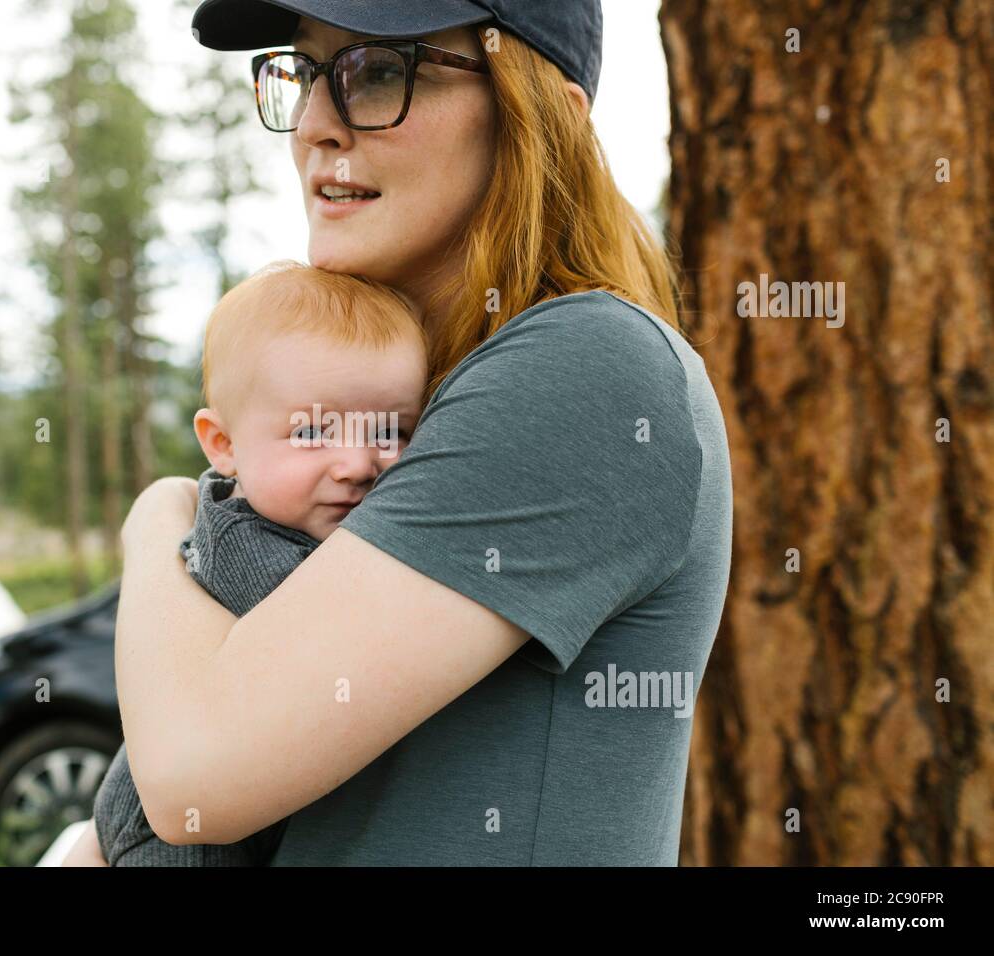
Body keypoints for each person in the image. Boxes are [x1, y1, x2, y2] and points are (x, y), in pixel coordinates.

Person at [66, 0, 732, 867]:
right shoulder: (436, 403)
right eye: (305, 73)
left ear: (542, 113)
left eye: (379, 71)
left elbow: (195, 780)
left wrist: (157, 518)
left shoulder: (588, 367)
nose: (312, 125)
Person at [91, 261, 427, 864]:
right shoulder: (240, 540)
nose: (356, 464)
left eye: (388, 429)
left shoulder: (307, 518)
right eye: (313, 432)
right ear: (223, 445)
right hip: (170, 841)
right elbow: (337, 637)